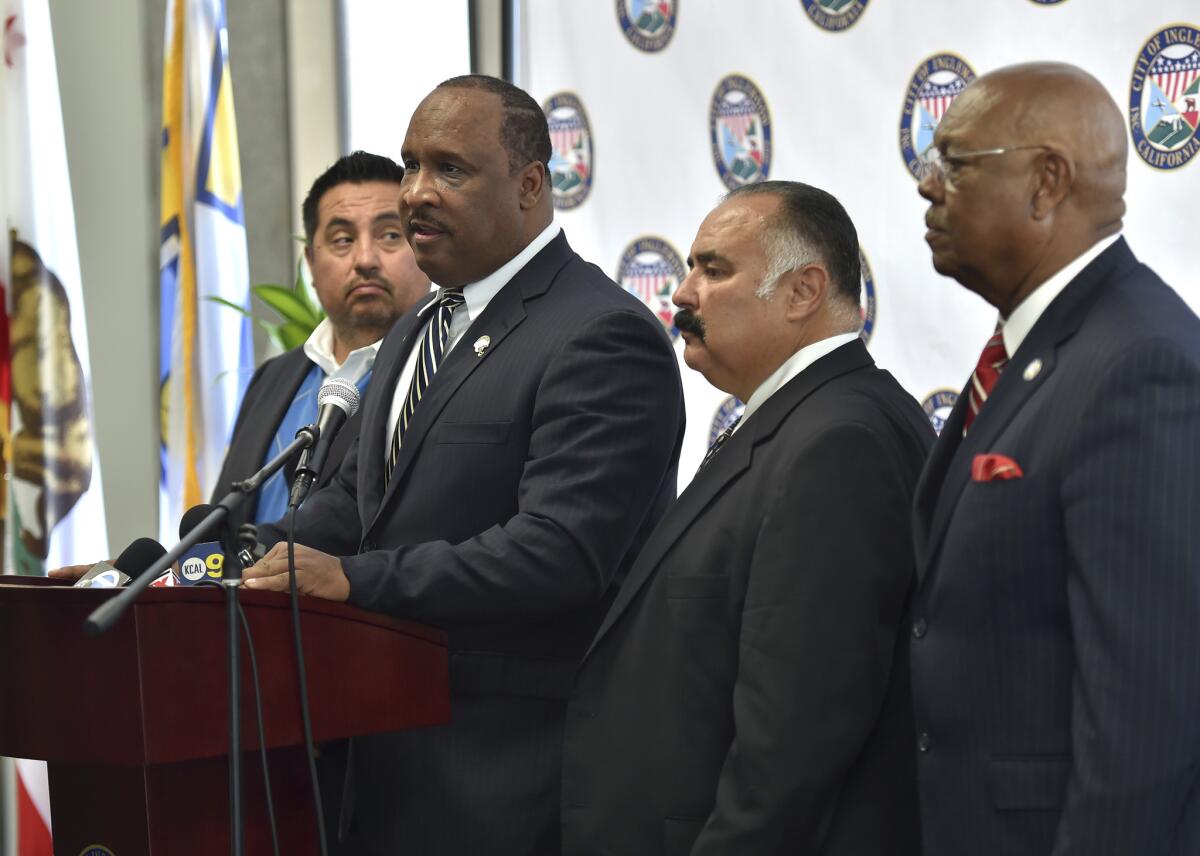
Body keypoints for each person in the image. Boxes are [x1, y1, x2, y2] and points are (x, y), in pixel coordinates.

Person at [242, 75, 684, 855]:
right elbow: (354, 502)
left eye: (449, 169)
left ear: (531, 184)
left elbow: (558, 552)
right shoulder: (420, 325)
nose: (415, 192)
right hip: (382, 762)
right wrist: (226, 557)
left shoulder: (600, 335)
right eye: (411, 165)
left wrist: (354, 580)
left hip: (508, 779)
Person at [561, 181, 932, 855]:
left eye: (714, 269)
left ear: (802, 292)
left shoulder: (838, 442)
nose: (682, 294)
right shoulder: (801, 421)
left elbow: (796, 733)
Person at [910, 61, 1200, 856]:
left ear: (1047, 182)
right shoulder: (1035, 351)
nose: (927, 187)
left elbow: (1146, 717)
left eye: (955, 165)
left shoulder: (1139, 364)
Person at [212, 151, 430, 530]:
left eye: (391, 235)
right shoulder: (273, 379)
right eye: (343, 239)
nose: (365, 259)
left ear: (424, 247)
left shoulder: (443, 371)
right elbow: (222, 526)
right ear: (311, 264)